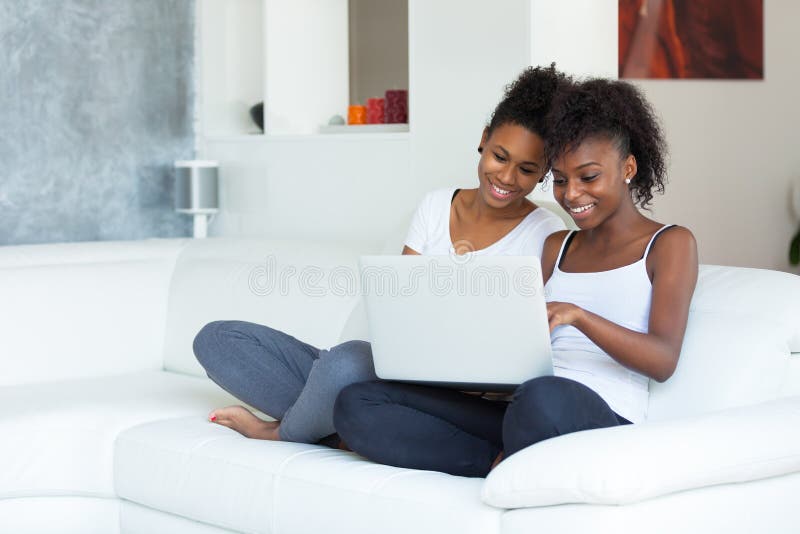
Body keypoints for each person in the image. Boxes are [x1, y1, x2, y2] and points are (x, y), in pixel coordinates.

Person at [333, 77, 699, 477]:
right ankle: (495, 465)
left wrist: (579, 316)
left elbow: (663, 359)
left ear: (628, 167)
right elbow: (519, 341)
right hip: (520, 407)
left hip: (598, 415)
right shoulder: (557, 245)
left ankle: (509, 457)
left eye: (588, 177)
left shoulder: (669, 243)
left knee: (542, 398)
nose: (572, 194)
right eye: (559, 179)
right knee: (359, 401)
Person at [191, 65, 570, 445]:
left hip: (467, 400)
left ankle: (284, 432)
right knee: (219, 340)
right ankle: (334, 421)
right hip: (396, 373)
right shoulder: (436, 206)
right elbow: (399, 309)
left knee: (344, 364)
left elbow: (534, 350)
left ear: (542, 174)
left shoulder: (546, 234)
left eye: (526, 169)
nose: (506, 177)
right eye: (500, 157)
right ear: (484, 140)